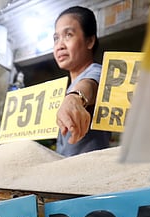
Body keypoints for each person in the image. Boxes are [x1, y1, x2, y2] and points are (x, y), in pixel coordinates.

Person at [53, 6, 110, 157]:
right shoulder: (68, 87)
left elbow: (90, 85)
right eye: (56, 38)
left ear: (90, 41)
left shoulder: (97, 72)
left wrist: (75, 98)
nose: (59, 46)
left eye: (68, 35)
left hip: (89, 168)